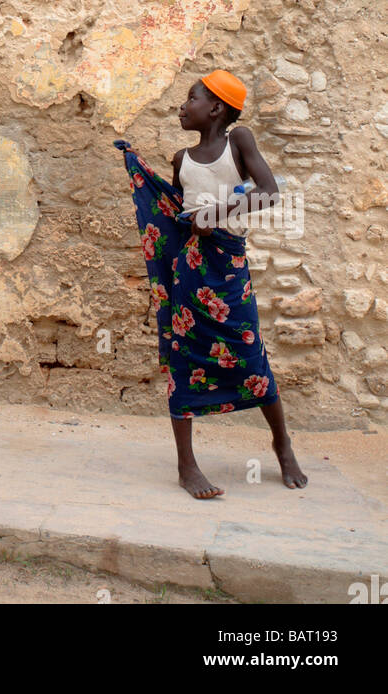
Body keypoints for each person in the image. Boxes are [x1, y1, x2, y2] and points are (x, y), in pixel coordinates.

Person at [115, 69, 307, 501]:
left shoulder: (240, 141)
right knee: (181, 357)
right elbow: (173, 211)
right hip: (190, 271)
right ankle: (187, 466)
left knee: (249, 353)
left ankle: (282, 444)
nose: (182, 107)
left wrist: (215, 213)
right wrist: (140, 171)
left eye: (191, 98)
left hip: (228, 268)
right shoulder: (181, 160)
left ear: (217, 108)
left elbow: (270, 191)